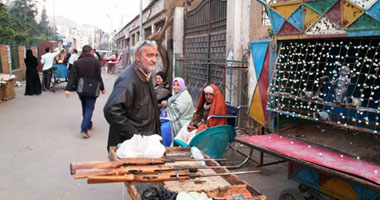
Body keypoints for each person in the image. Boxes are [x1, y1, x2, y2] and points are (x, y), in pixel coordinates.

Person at [104, 40, 161, 151]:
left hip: (145, 142)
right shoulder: (128, 79)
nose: (154, 60)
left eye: (155, 55)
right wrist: (135, 135)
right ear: (137, 57)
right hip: (131, 147)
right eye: (149, 55)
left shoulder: (146, 73)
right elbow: (111, 110)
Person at [65, 45, 106, 139]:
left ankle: (88, 124)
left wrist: (68, 89)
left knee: (85, 107)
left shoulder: (77, 62)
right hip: (92, 89)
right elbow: (98, 77)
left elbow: (73, 77)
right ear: (91, 51)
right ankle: (84, 129)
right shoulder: (96, 62)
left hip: (81, 89)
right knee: (89, 108)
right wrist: (102, 88)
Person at [160, 77, 194, 146]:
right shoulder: (177, 94)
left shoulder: (185, 96)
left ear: (182, 85)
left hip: (180, 121)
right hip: (173, 118)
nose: (175, 87)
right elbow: (171, 104)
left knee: (163, 130)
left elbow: (177, 111)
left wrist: (167, 105)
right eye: (174, 85)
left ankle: (166, 148)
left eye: (178, 85)